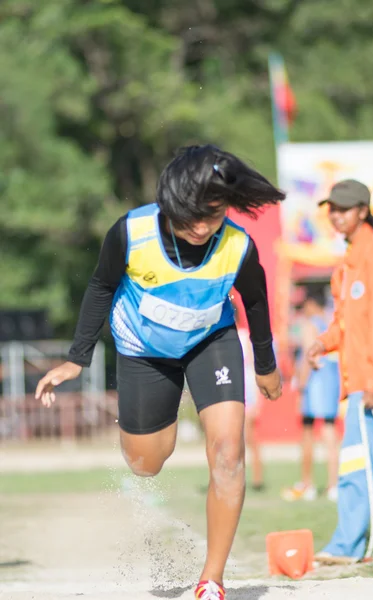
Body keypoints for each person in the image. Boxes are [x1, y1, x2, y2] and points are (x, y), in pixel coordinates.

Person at [35, 144, 285, 600]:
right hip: (143, 351)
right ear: (170, 204)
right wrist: (77, 356)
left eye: (213, 215)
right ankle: (144, 441)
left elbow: (254, 299)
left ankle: (212, 580)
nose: (202, 227)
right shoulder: (131, 233)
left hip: (211, 342)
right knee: (146, 463)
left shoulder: (236, 246)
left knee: (229, 452)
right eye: (192, 216)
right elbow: (100, 286)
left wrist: (266, 365)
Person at [306, 179, 373, 561]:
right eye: (333, 209)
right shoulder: (346, 265)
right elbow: (346, 324)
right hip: (365, 381)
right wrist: (322, 342)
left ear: (363, 210)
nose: (336, 216)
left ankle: (347, 545)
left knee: (356, 463)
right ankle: (348, 543)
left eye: (344, 209)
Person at [282, 290, 340, 502]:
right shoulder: (330, 321)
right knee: (330, 432)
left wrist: (301, 385)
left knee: (307, 433)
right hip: (331, 380)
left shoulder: (309, 325)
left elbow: (308, 356)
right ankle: (334, 485)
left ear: (311, 304)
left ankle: (308, 483)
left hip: (314, 383)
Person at [237, 322, 265, 491]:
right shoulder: (243, 335)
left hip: (245, 389)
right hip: (246, 389)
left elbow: (250, 365)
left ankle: (254, 477)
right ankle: (253, 477)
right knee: (246, 438)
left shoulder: (242, 335)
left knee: (247, 438)